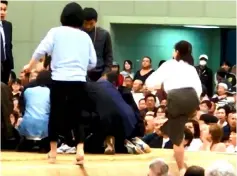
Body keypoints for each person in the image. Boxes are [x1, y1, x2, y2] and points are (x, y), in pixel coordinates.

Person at [23, 2, 97, 165]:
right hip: (78, 79)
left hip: (59, 79)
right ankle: (80, 150)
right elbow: (93, 62)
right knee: (78, 115)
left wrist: (29, 66)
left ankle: (54, 152)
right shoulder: (85, 36)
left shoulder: (55, 32)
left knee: (55, 115)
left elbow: (41, 50)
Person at [146, 40, 202, 175]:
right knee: (176, 127)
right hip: (193, 99)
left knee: (177, 136)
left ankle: (182, 169)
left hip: (177, 98)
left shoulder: (169, 65)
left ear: (176, 52)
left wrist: (159, 87)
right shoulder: (191, 67)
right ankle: (167, 133)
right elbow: (199, 89)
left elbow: (150, 83)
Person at [83, 7, 113, 81]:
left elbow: (108, 56)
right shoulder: (77, 33)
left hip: (99, 73)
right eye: (85, 23)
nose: (88, 26)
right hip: (81, 73)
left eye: (91, 23)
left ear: (96, 21)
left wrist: (105, 74)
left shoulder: (104, 34)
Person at [1, 0, 14, 84]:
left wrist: (10, 68)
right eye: (0, 9)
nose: (2, 12)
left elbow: (9, 46)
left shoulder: (8, 25)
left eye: (4, 9)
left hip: (5, 65)